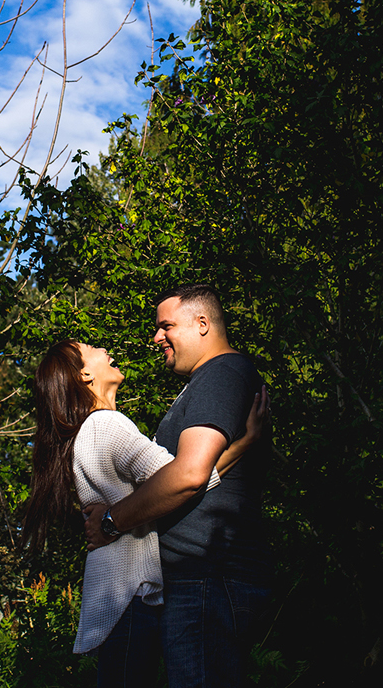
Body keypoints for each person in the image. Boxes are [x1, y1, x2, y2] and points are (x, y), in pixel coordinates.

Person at [23, 338, 267, 688]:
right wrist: (243, 445)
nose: (104, 349)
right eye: (91, 348)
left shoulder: (88, 431)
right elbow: (181, 477)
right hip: (129, 594)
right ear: (85, 375)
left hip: (115, 594)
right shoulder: (107, 425)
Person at [84, 284, 271, 688]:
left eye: (166, 325)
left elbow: (189, 474)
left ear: (202, 324)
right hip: (198, 580)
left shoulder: (222, 373)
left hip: (207, 577)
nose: (156, 337)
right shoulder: (207, 380)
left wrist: (112, 521)